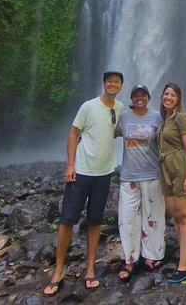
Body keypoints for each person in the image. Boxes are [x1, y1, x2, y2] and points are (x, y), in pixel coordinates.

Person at [43, 70, 125, 297]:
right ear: (104, 84)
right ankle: (58, 271)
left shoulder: (119, 109)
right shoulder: (88, 106)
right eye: (109, 81)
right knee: (67, 220)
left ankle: (90, 269)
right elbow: (73, 134)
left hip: (104, 173)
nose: (112, 84)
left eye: (116, 82)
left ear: (121, 86)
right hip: (81, 172)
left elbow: (121, 131)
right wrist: (70, 165)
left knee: (95, 221)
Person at [114, 83, 165, 282]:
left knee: (154, 217)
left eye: (143, 94)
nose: (139, 98)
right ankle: (130, 259)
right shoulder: (124, 117)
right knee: (127, 218)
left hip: (152, 175)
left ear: (148, 97)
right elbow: (107, 133)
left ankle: (152, 256)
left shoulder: (157, 117)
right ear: (132, 98)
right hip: (128, 176)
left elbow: (168, 139)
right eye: (136, 95)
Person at [158, 82, 186, 285]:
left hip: (181, 169)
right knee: (175, 216)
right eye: (166, 94)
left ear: (178, 99)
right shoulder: (164, 119)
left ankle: (183, 269)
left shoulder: (182, 117)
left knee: (185, 215)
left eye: (173, 95)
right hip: (167, 170)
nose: (169, 97)